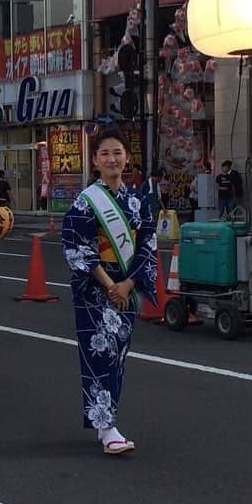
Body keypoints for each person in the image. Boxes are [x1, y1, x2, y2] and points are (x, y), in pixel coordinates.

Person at [62, 128, 157, 455]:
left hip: (127, 287)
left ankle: (108, 421)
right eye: (105, 154)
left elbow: (147, 244)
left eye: (117, 152)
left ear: (126, 158)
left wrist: (128, 283)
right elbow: (75, 245)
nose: (112, 159)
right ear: (95, 160)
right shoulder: (85, 201)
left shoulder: (138, 200)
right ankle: (106, 427)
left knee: (118, 355)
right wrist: (109, 284)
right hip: (96, 289)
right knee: (98, 354)